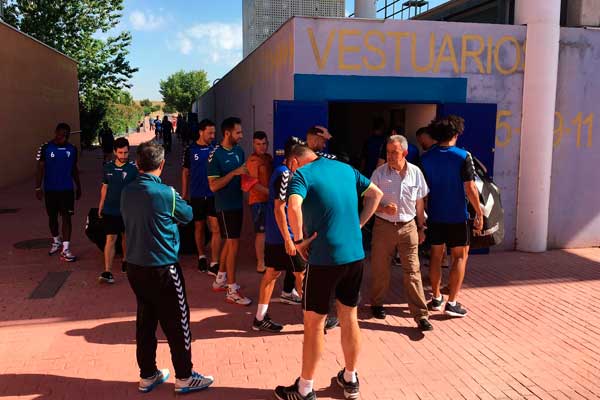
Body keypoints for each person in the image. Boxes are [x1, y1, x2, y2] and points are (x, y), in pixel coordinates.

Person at [275, 144, 383, 400]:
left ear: (293, 162)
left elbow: (292, 206)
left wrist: (299, 240)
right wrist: (358, 224)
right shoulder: (346, 168)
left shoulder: (301, 175)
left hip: (324, 259)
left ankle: (304, 389)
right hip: (354, 256)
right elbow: (376, 194)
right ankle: (350, 378)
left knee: (313, 323)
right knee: (349, 317)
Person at [121, 141, 213, 394]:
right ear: (162, 165)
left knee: (145, 321)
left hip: (135, 267)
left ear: (138, 164)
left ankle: (147, 374)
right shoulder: (167, 193)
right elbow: (188, 215)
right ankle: (184, 376)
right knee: (178, 322)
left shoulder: (127, 191)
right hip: (163, 267)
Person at [421, 116, 483, 318]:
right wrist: (479, 213)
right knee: (459, 256)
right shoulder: (463, 156)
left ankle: (436, 298)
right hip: (457, 215)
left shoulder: (426, 158)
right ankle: (452, 303)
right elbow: (470, 187)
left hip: (435, 215)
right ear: (456, 134)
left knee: (436, 257)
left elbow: (422, 191)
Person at [369, 135, 432, 331]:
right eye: (387, 152)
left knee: (413, 271)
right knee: (380, 268)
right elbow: (367, 202)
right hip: (384, 226)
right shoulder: (379, 173)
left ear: (404, 153)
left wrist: (421, 227)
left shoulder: (416, 173)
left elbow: (420, 202)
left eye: (394, 152)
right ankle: (377, 304)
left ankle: (421, 315)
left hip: (408, 227)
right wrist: (383, 208)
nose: (389, 156)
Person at [252, 139, 306, 332]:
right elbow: (279, 209)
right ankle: (314, 320)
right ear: (294, 159)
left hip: (277, 237)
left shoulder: (283, 172)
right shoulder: (285, 175)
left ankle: (259, 318)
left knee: (272, 273)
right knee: (302, 275)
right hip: (284, 238)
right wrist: (289, 239)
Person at [207, 117, 252, 306]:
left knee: (231, 242)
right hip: (224, 206)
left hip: (237, 204)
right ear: (227, 133)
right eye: (238, 132)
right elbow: (213, 186)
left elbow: (244, 177)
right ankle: (232, 289)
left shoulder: (239, 151)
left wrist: (252, 186)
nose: (241, 136)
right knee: (233, 245)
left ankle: (220, 279)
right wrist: (233, 173)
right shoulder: (215, 155)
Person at [304, 126, 340, 331]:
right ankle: (318, 316)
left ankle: (315, 312)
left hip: (318, 215)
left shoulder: (327, 156)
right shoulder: (301, 155)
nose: (324, 143)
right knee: (314, 267)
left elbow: (344, 161)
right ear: (313, 138)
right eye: (322, 139)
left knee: (309, 268)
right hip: (311, 216)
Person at [35, 123, 81, 262]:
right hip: (51, 190)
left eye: (67, 135)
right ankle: (56, 240)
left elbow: (74, 168)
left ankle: (66, 249)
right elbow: (40, 168)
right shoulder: (46, 147)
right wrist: (38, 187)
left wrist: (78, 186)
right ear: (56, 132)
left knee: (67, 217)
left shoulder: (72, 149)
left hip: (66, 189)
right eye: (62, 134)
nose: (64, 137)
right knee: (52, 217)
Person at [181, 119, 221, 274]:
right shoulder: (190, 149)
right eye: (209, 133)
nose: (212, 136)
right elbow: (185, 172)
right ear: (201, 132)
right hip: (197, 195)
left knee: (215, 228)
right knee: (199, 226)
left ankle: (214, 263)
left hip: (213, 194)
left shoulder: (216, 148)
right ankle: (202, 256)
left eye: (214, 133)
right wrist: (184, 194)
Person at [97, 137, 138, 283]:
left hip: (128, 209)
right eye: (120, 153)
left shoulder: (134, 168)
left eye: (126, 153)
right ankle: (107, 271)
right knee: (110, 238)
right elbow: (105, 187)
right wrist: (101, 204)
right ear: (115, 152)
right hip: (110, 209)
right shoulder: (108, 167)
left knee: (125, 236)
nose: (123, 156)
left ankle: (126, 260)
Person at [246, 131, 273, 273]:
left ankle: (267, 258)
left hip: (268, 201)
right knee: (260, 232)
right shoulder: (252, 161)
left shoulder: (268, 158)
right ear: (253, 144)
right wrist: (271, 192)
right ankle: (260, 263)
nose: (261, 147)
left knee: (268, 231)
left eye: (264, 144)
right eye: (258, 144)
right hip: (258, 201)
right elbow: (252, 183)